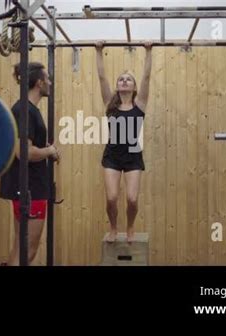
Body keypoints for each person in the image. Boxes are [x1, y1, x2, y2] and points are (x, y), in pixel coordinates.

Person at [0, 62, 60, 266]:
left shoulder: (27, 108)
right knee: (28, 250)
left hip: (28, 187)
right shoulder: (24, 109)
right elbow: (23, 152)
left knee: (20, 247)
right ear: (39, 83)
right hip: (29, 188)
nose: (50, 83)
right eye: (48, 79)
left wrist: (45, 152)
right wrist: (49, 151)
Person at [95, 41, 152, 243]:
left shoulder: (140, 105)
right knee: (111, 198)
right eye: (121, 79)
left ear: (134, 87)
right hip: (112, 156)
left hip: (133, 157)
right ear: (118, 85)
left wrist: (148, 51)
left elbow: (146, 77)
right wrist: (98, 51)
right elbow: (102, 77)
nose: (125, 81)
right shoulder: (110, 104)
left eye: (129, 79)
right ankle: (113, 228)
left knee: (132, 199)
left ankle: (129, 226)